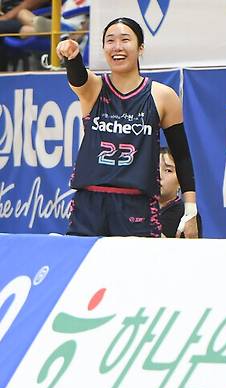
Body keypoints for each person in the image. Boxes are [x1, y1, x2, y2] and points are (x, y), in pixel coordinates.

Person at [57, 17, 198, 237]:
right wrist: (72, 57)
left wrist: (190, 209)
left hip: (137, 204)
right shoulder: (94, 87)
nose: (117, 47)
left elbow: (182, 156)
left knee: (137, 261)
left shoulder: (162, 96)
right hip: (90, 203)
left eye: (125, 40)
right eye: (110, 41)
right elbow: (78, 77)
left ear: (140, 48)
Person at [158, 148, 202, 238]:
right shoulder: (137, 208)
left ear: (181, 181)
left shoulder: (186, 214)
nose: (159, 176)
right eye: (155, 168)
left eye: (168, 170)